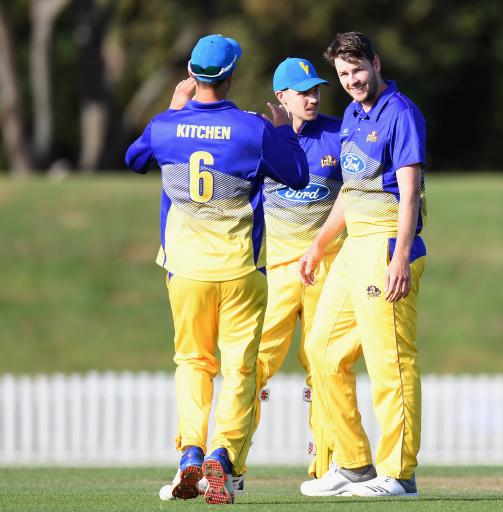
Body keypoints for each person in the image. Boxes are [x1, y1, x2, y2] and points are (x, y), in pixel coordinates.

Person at [125, 34, 308, 505]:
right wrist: (284, 129)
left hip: (184, 270)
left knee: (192, 363)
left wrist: (173, 106)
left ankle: (190, 452)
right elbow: (298, 175)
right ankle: (223, 457)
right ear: (231, 76)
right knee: (239, 369)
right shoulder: (252, 129)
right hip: (241, 269)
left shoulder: (167, 125)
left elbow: (134, 159)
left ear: (192, 70)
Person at [298, 31, 427, 498]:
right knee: (322, 351)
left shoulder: (402, 113)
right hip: (354, 247)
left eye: (358, 69)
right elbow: (350, 193)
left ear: (376, 63)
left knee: (389, 360)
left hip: (388, 245)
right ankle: (353, 465)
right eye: (343, 74)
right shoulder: (352, 114)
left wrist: (399, 255)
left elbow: (410, 192)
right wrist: (318, 244)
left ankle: (399, 474)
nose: (352, 80)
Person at [254, 57, 345, 479]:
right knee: (254, 363)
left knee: (325, 364)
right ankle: (229, 461)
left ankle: (325, 466)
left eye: (315, 90)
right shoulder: (264, 137)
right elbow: (247, 199)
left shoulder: (338, 132)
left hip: (328, 269)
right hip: (278, 272)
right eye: (302, 91)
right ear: (281, 97)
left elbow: (354, 197)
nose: (312, 97)